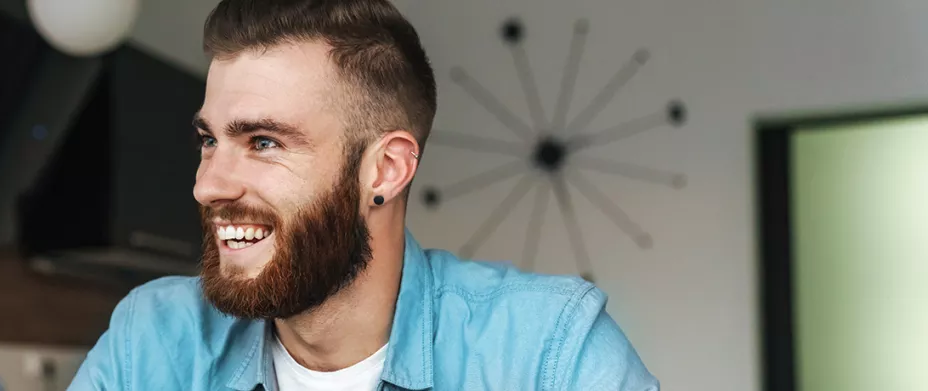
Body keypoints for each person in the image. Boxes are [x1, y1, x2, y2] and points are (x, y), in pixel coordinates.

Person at [69, 0, 657, 390]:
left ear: (386, 170)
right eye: (209, 140)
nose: (209, 185)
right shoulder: (154, 342)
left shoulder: (548, 352)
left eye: (265, 142)